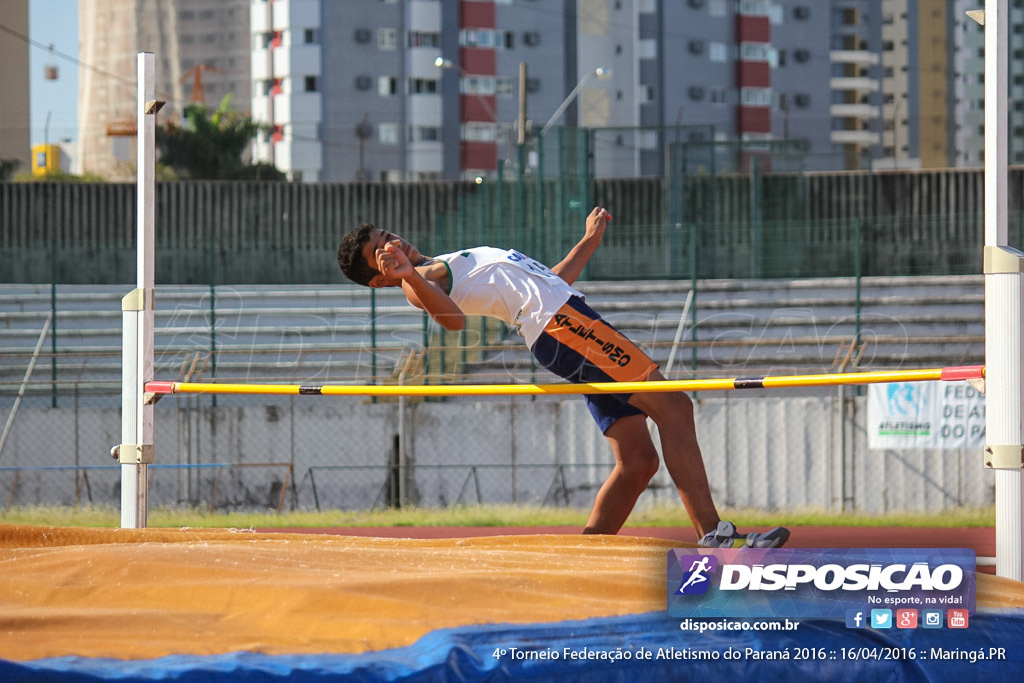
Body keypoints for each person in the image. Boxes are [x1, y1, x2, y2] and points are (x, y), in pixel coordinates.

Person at [337, 207, 789, 548]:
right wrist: (407, 275)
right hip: (565, 328)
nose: (394, 244)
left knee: (637, 462)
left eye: (389, 235)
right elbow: (452, 321)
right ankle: (715, 538)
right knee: (674, 406)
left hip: (564, 322)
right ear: (379, 279)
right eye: (382, 250)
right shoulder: (422, 283)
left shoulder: (442, 262)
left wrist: (588, 242)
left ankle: (586, 556)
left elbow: (550, 281)